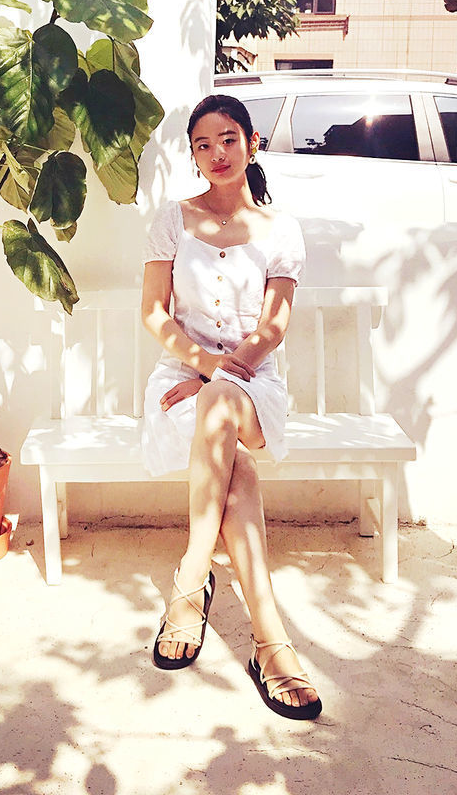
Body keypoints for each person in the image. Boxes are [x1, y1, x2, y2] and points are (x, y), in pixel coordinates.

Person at [140, 93, 323, 721]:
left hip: (254, 385)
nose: (217, 153)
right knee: (234, 470)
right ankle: (271, 642)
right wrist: (202, 370)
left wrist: (221, 375)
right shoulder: (172, 219)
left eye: (228, 139)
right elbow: (154, 314)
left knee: (220, 406)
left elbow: (273, 328)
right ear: (193, 154)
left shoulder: (282, 231)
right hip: (180, 380)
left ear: (251, 143)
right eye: (202, 144)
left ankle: (192, 578)